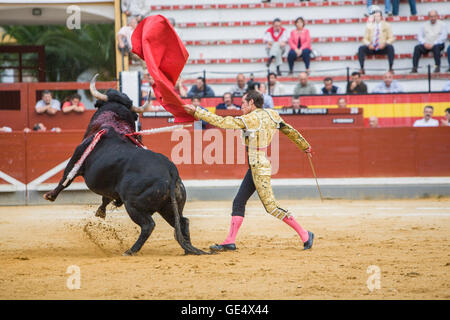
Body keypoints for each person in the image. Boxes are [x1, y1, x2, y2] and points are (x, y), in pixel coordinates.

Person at [183, 90, 314, 252]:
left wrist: (198, 112)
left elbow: (223, 123)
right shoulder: (272, 114)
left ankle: (305, 233)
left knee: (271, 207)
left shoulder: (251, 118)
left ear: (252, 102)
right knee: (238, 202)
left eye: (244, 103)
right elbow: (289, 130)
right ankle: (230, 241)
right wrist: (305, 146)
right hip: (257, 165)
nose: (242, 107)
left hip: (258, 167)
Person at [358, 9, 395, 74]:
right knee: (361, 48)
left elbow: (391, 38)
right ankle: (362, 68)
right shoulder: (369, 25)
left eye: (378, 16)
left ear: (381, 17)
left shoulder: (386, 25)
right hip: (372, 47)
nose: (376, 18)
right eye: (375, 16)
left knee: (390, 47)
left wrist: (385, 44)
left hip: (382, 47)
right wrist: (369, 44)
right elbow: (364, 39)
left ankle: (390, 68)